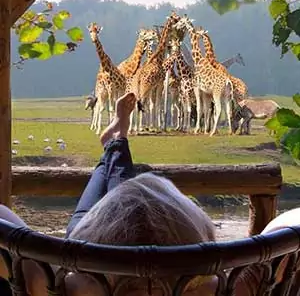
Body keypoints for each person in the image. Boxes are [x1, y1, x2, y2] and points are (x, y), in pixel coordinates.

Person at [0, 93, 298, 296]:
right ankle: (116, 144)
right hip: (87, 245)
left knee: (115, 191)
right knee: (128, 189)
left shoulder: (60, 284)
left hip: (84, 248)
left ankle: (115, 144)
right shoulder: (226, 287)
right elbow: (289, 224)